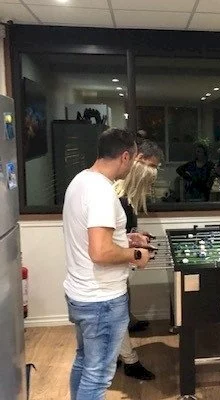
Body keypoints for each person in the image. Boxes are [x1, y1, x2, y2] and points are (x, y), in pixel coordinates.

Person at [63, 128, 150, 400]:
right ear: (124, 157)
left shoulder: (80, 181)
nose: (132, 166)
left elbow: (92, 237)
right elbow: (100, 252)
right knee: (98, 376)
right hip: (101, 300)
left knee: (84, 362)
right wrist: (137, 255)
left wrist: (126, 239)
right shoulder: (101, 191)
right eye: (133, 160)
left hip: (80, 294)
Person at [113, 138, 163, 381]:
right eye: (151, 166)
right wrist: (135, 251)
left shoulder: (125, 198)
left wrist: (135, 237)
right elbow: (109, 243)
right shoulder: (115, 199)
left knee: (121, 310)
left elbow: (121, 233)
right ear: (137, 159)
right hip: (105, 271)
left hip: (116, 266)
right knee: (117, 314)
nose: (152, 174)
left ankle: (114, 356)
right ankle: (129, 360)